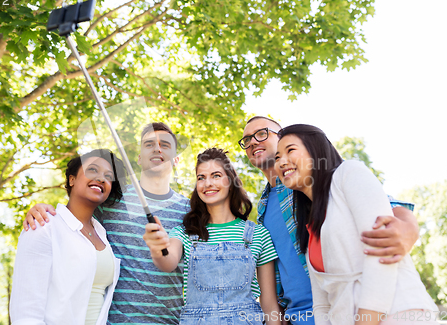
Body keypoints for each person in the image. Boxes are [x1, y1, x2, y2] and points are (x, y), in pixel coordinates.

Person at [240, 116, 421, 325]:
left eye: (261, 133)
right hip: (307, 316)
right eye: (246, 140)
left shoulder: (320, 179)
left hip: (354, 309)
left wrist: (410, 226)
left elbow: (383, 204)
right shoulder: (263, 207)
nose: (253, 142)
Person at [23, 123, 190, 324]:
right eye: (148, 144)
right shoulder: (111, 200)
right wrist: (40, 208)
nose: (157, 148)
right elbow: (73, 216)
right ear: (138, 158)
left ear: (177, 159)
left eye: (165, 144)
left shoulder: (191, 211)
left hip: (170, 321)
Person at [143, 148, 282, 325]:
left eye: (216, 175)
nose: (207, 183)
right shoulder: (185, 233)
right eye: (201, 177)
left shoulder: (258, 234)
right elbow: (167, 262)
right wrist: (157, 248)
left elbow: (269, 304)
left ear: (231, 181)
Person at [10, 149, 124, 325]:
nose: (101, 178)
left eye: (108, 176)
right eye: (92, 170)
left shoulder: (103, 235)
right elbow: (26, 314)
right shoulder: (44, 226)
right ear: (72, 179)